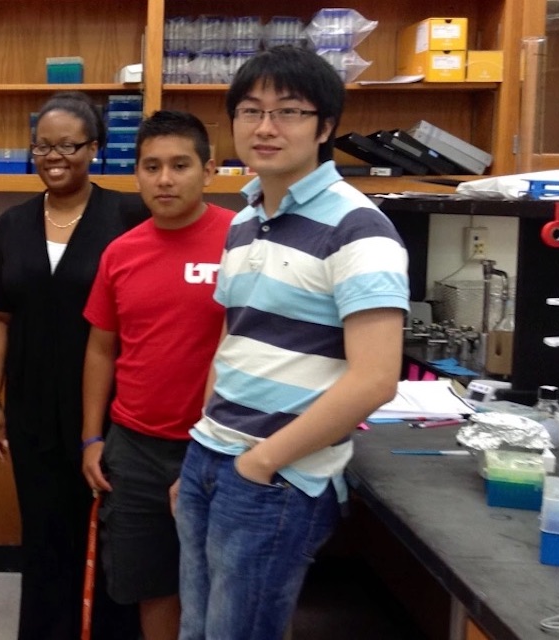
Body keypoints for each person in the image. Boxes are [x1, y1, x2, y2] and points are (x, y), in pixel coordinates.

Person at [172, 46, 410, 640]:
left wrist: (263, 461)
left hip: (276, 477)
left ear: (325, 126)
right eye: (251, 111)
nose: (267, 127)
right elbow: (233, 338)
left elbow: (376, 379)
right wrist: (201, 445)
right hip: (210, 457)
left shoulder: (361, 228)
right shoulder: (242, 221)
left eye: (290, 111)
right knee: (196, 630)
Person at [0, 91, 144, 640]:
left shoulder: (127, 215)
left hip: (108, 412)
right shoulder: (12, 224)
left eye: (68, 145)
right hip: (30, 409)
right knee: (45, 536)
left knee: (108, 536)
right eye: (42, 146)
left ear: (94, 149)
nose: (54, 157)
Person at [80, 110, 233, 640]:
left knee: (226, 586)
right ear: (137, 174)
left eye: (179, 165)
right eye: (152, 166)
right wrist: (92, 438)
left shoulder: (242, 242)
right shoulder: (121, 253)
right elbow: (101, 349)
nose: (164, 179)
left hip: (220, 447)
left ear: (208, 170)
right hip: (136, 448)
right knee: (154, 585)